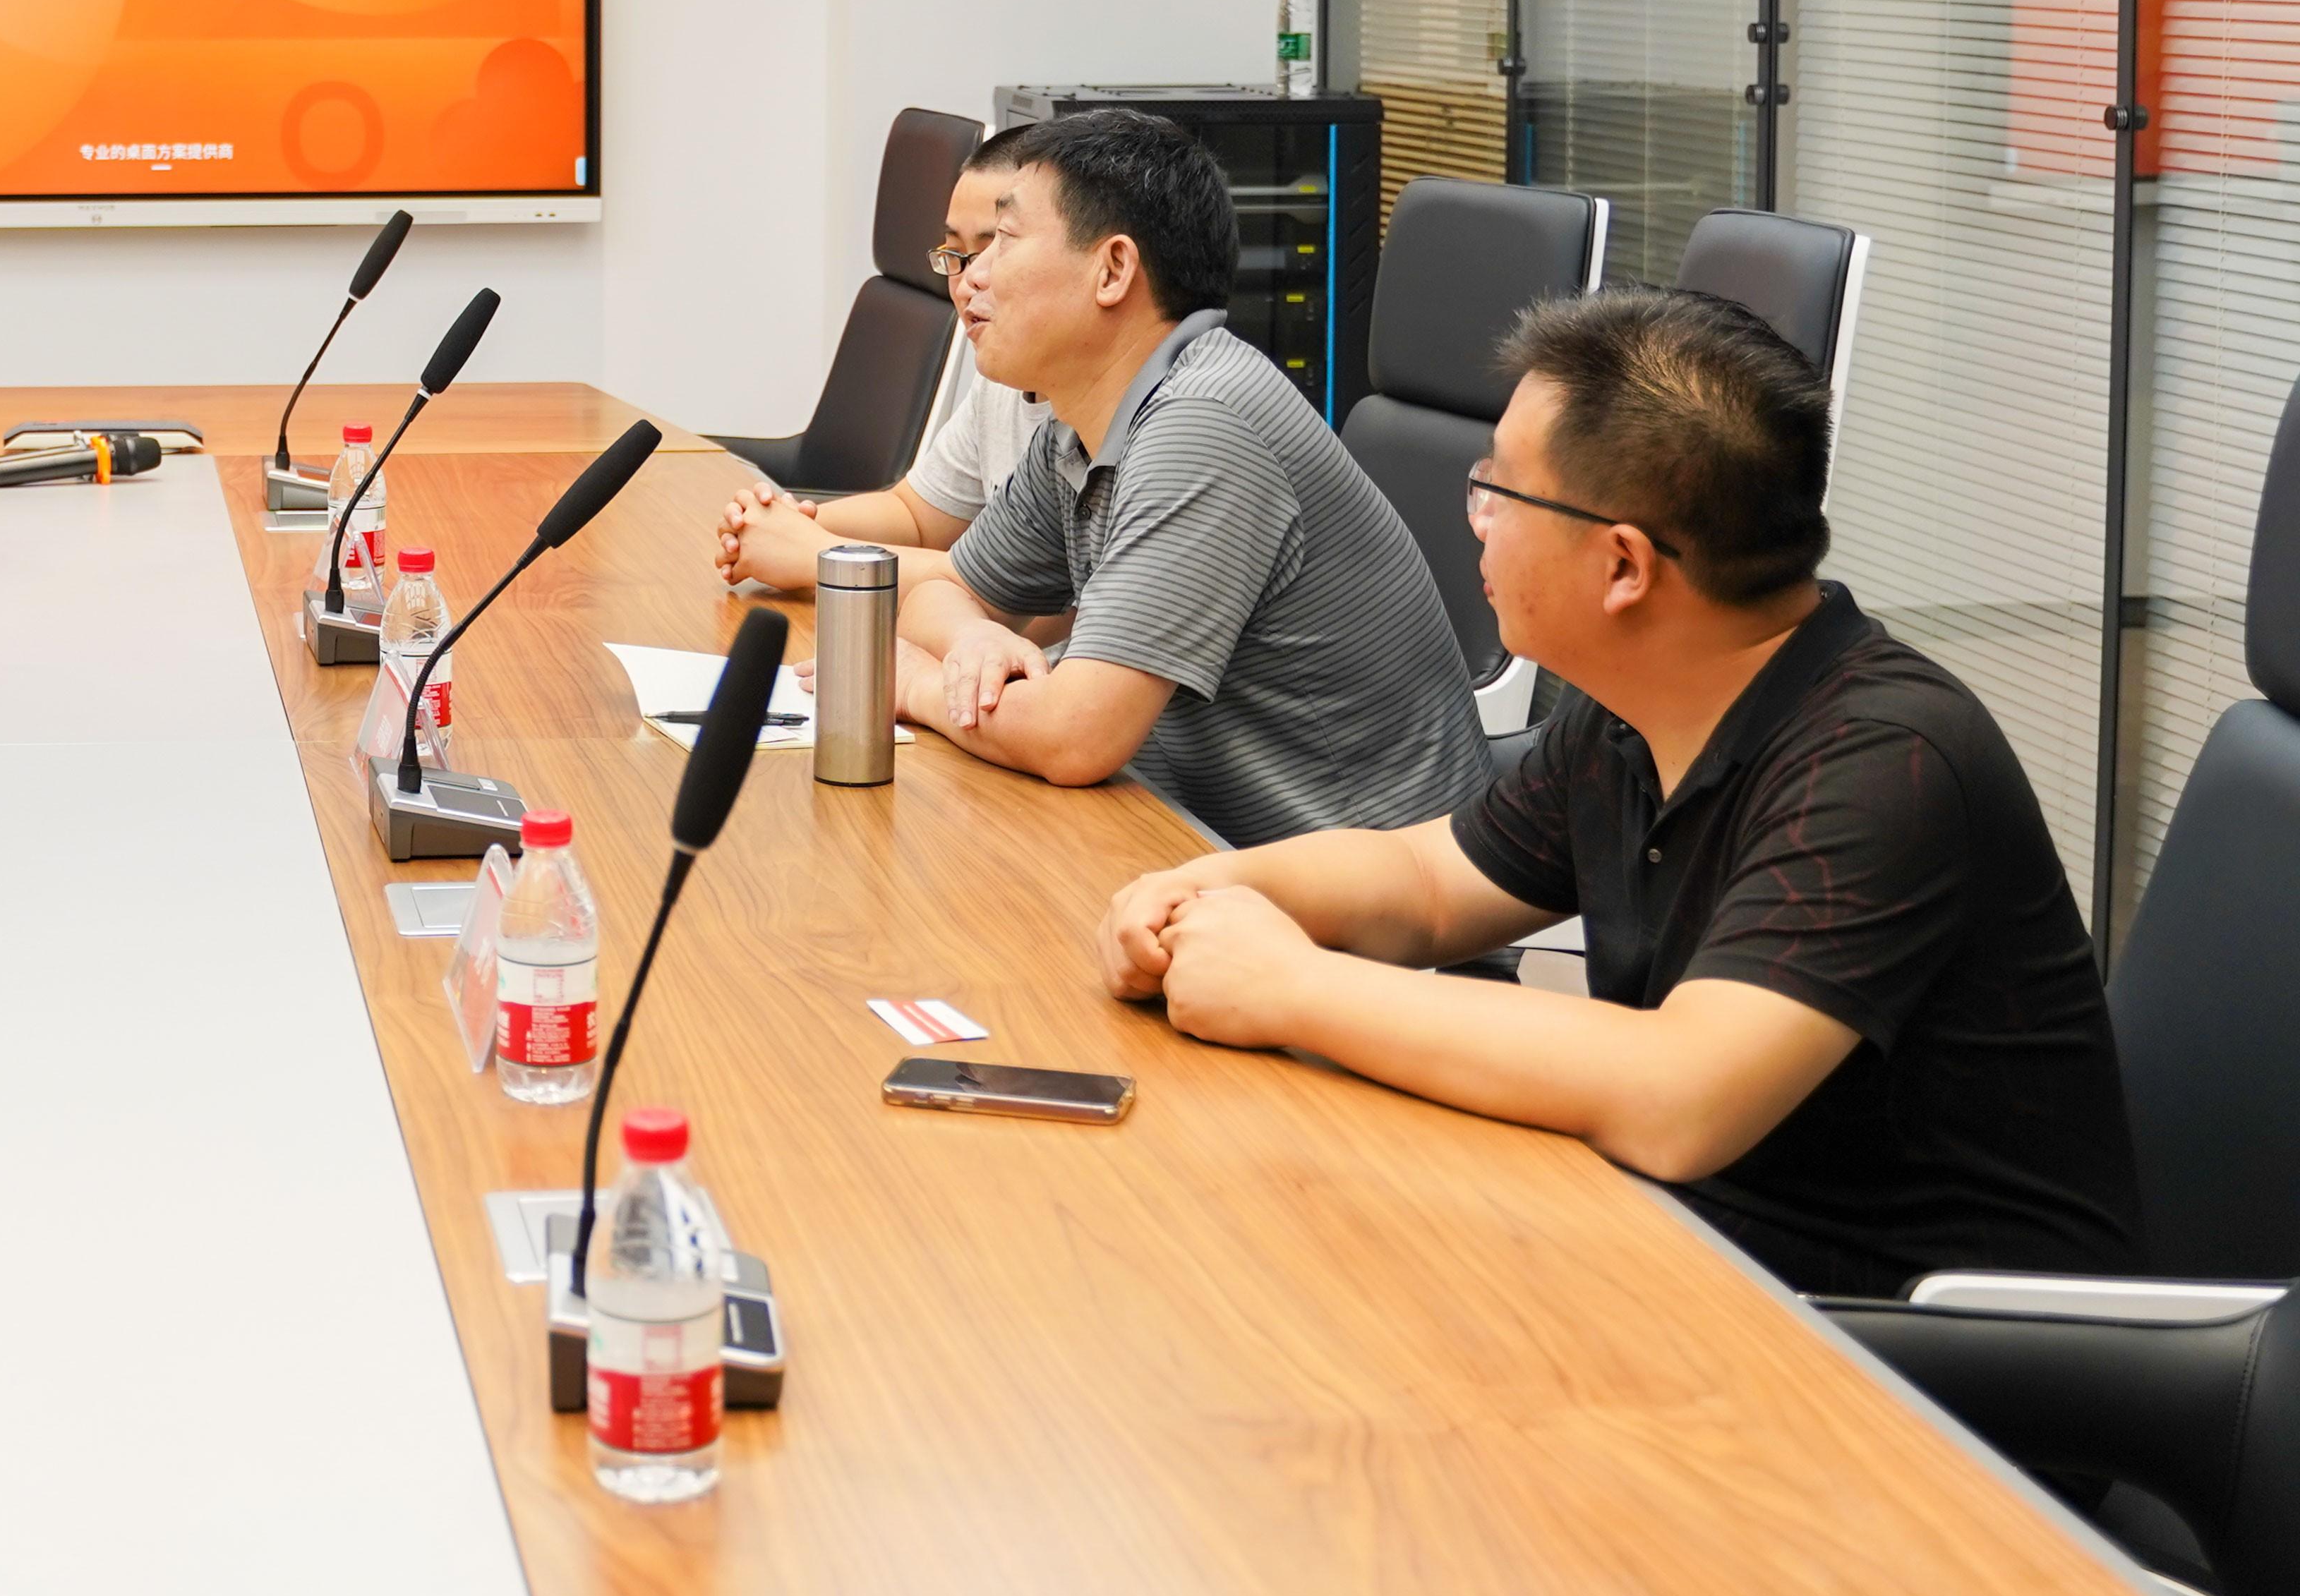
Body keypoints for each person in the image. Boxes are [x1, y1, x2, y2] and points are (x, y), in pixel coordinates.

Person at [1097, 287, 2137, 1293]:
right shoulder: (1637, 709)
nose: (1477, 521)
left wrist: (1293, 986)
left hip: (1916, 1353)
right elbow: (1430, 882)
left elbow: (1681, 1096)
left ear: (1625, 567)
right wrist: (1208, 892)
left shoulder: (1886, 764)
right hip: (1697, 1252)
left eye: (1500, 491)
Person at [887, 107, 1490, 842]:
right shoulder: (1082, 422)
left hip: (1356, 881)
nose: (970, 277)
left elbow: (1075, 736)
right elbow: (942, 593)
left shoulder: (1204, 425)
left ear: (1113, 270)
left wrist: (915, 683)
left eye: (1003, 241)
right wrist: (973, 642)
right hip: (1188, 835)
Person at [717, 125, 1047, 590]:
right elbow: (917, 515)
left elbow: (1019, 596)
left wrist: (816, 554)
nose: (967, 282)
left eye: (998, 248)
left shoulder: (1110, 419)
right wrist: (790, 524)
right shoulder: (1001, 377)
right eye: (957, 254)